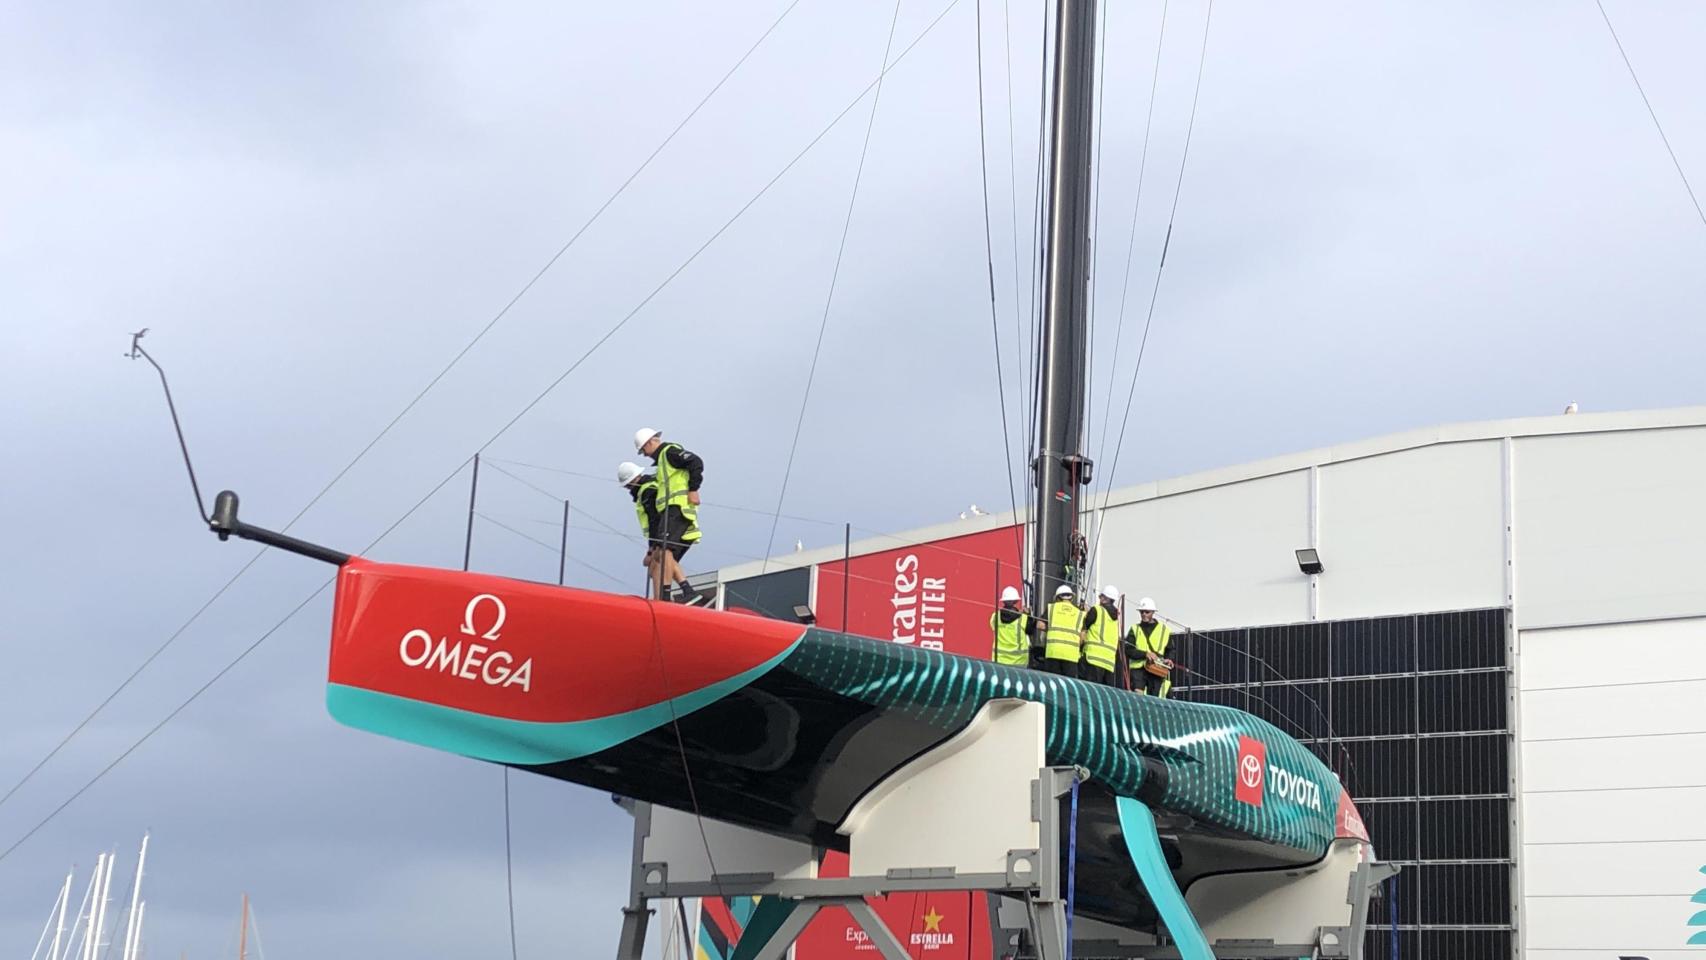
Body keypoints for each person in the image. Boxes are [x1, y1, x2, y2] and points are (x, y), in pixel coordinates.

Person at [633, 427, 706, 604]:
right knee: (660, 554)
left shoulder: (669, 452)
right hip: (670, 509)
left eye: (644, 451)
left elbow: (695, 462)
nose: (645, 455)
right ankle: (664, 598)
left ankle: (670, 596)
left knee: (665, 550)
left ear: (650, 442)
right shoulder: (662, 463)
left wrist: (693, 490)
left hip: (677, 507)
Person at [618, 460, 707, 606]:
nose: (628, 489)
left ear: (633, 481)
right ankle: (663, 600)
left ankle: (680, 594)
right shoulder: (652, 486)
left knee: (662, 557)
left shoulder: (647, 492)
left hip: (673, 529)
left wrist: (652, 549)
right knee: (657, 564)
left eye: (628, 485)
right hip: (678, 527)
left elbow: (654, 520)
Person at [1126, 596, 1173, 697]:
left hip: (1156, 669)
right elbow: (1128, 650)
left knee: (1153, 698)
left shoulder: (1164, 630)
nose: (1143, 614)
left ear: (1153, 612)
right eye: (1141, 612)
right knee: (1138, 697)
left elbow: (1170, 649)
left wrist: (1169, 659)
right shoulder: (1135, 629)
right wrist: (1145, 654)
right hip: (1138, 669)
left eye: (1146, 612)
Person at [1079, 585, 1123, 687]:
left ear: (1105, 599)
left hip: (1093, 659)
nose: (1099, 599)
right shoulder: (1116, 617)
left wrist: (1086, 613)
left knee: (1089, 691)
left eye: (1100, 596)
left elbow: (1084, 629)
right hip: (1108, 662)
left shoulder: (1096, 610)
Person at [1041, 584, 1084, 678]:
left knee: (1053, 684)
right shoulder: (1079, 613)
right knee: (1068, 687)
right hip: (1071, 656)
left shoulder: (1051, 608)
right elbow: (1083, 636)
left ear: (1057, 598)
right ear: (1071, 598)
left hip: (1053, 653)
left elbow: (1039, 625)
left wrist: (1051, 629)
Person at [989, 586, 1036, 667]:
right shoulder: (1023, 618)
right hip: (1019, 662)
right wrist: (1028, 616)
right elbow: (1031, 631)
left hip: (999, 660)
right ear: (1016, 601)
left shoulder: (995, 616)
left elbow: (993, 626)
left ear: (1003, 601)